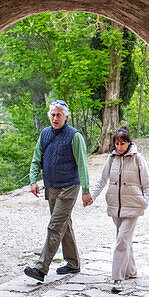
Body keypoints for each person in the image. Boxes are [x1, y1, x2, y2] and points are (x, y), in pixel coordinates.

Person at [23, 100, 92, 282]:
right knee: (63, 224)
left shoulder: (74, 136)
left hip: (69, 187)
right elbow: (36, 158)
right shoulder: (45, 134)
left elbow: (82, 165)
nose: (55, 118)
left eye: (59, 115)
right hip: (51, 187)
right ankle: (73, 264)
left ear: (65, 116)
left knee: (54, 226)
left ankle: (41, 268)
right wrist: (33, 180)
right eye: (53, 115)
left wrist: (86, 190)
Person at [87, 126, 149, 284]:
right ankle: (131, 271)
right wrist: (92, 196)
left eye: (122, 143)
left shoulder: (138, 158)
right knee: (124, 239)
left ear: (129, 143)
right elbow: (102, 181)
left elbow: (148, 184)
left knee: (122, 239)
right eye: (117, 143)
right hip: (115, 207)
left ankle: (117, 278)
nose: (119, 146)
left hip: (134, 206)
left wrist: (144, 203)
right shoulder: (111, 159)